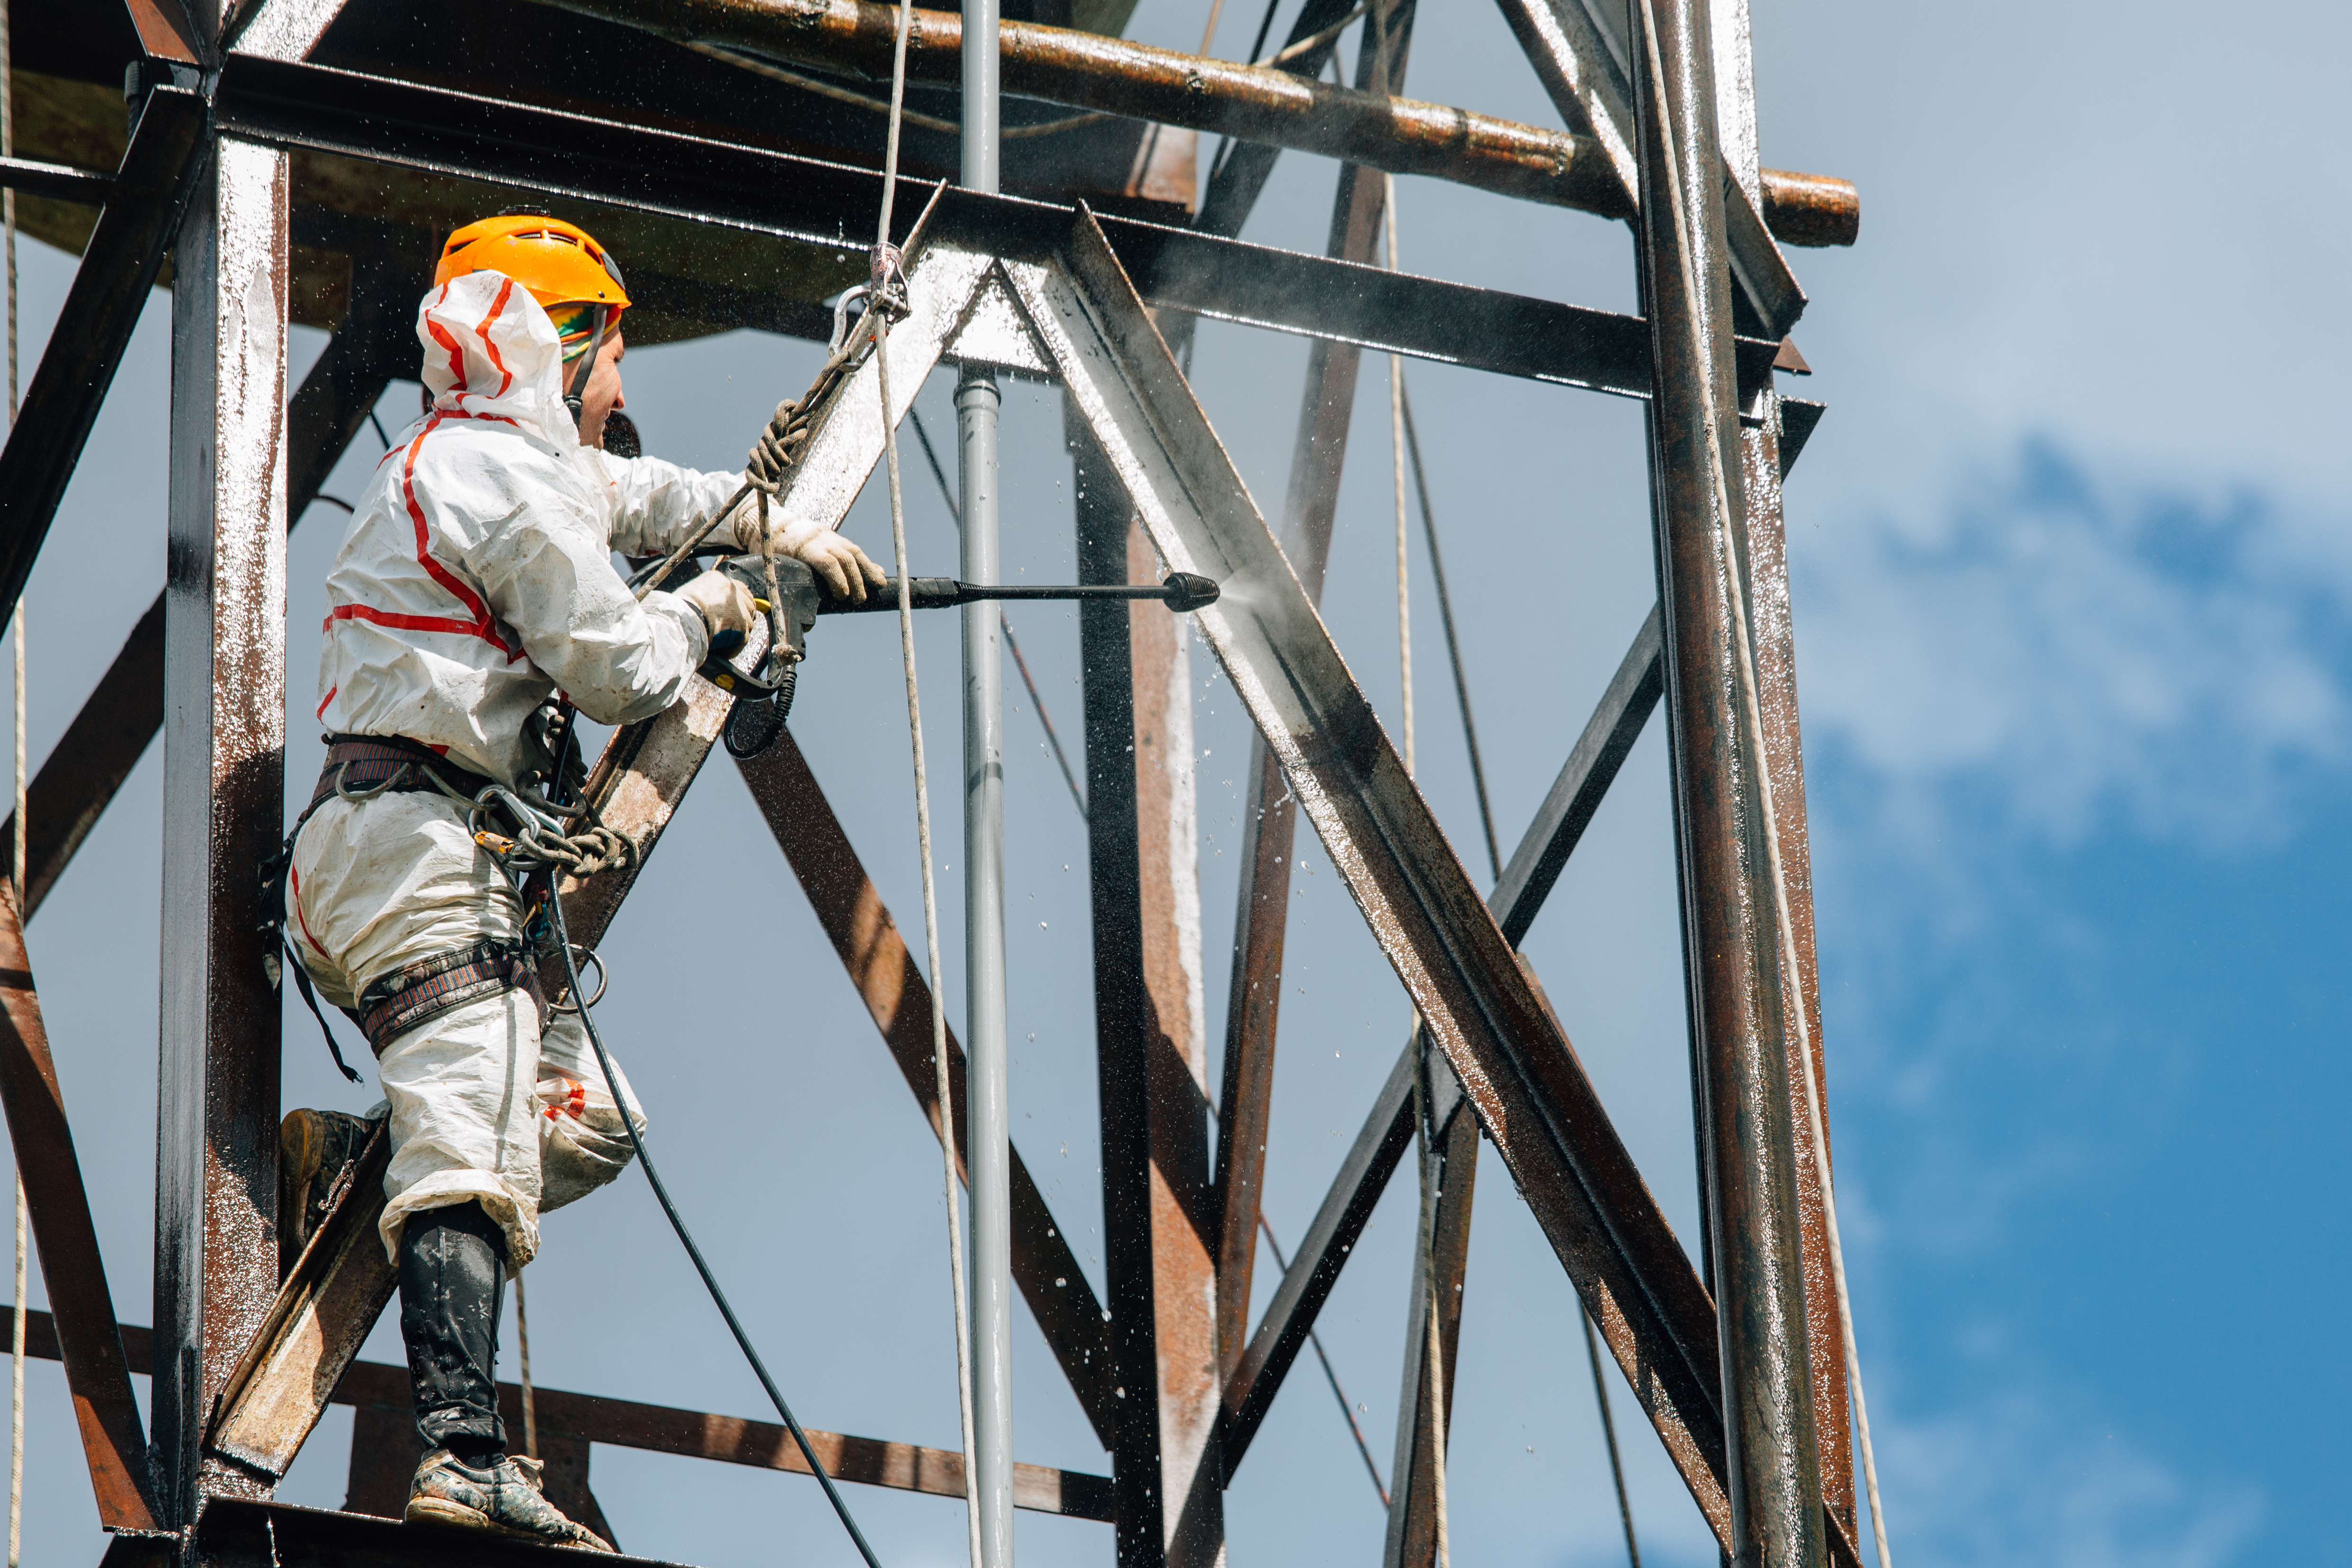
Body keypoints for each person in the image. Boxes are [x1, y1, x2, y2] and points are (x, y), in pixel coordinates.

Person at [276, 212, 883, 1550]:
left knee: (582, 1117)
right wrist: (724, 604)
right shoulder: (499, 483)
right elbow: (619, 664)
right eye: (612, 355)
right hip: (415, 851)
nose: (622, 389)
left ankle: (351, 1171)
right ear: (565, 347)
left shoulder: (494, 462)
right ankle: (461, 1455)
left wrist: (775, 523)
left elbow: (652, 497)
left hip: (422, 856)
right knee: (475, 1138)